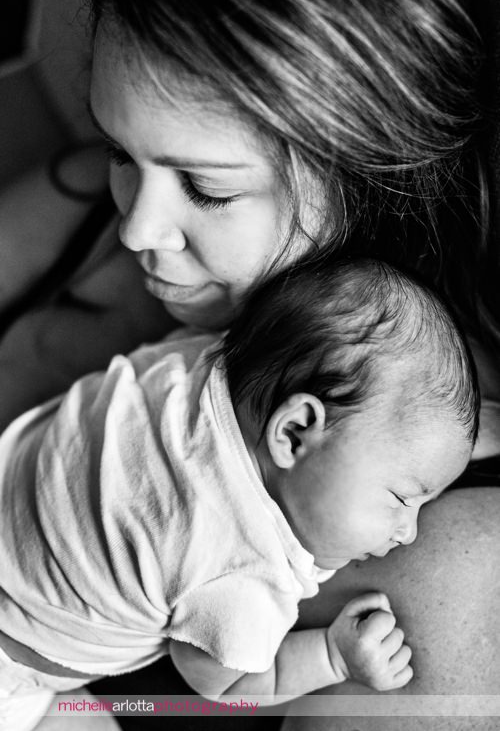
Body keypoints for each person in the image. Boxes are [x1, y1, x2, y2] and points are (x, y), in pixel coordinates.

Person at [0, 0, 498, 730]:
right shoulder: (87, 208)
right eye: (119, 149)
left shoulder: (403, 501)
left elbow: (224, 681)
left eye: (204, 187)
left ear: (357, 173)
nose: (137, 228)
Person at [0, 257, 477, 729]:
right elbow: (222, 685)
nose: (409, 532)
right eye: (401, 498)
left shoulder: (200, 360)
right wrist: (332, 656)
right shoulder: (244, 570)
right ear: (293, 432)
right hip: (14, 671)